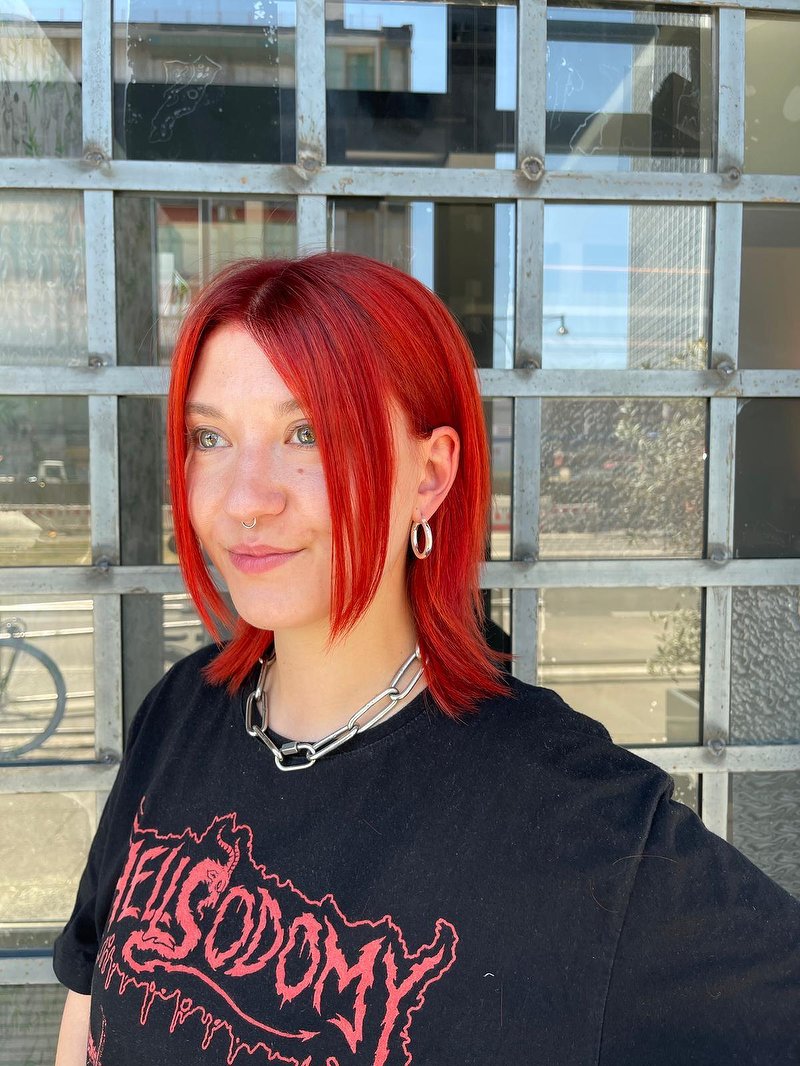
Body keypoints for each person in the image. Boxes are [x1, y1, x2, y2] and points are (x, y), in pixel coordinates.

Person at [54, 253, 799, 1066]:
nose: (244, 498)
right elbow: (87, 1000)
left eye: (308, 433)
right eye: (211, 437)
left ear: (431, 474)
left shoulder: (571, 815)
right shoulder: (180, 712)